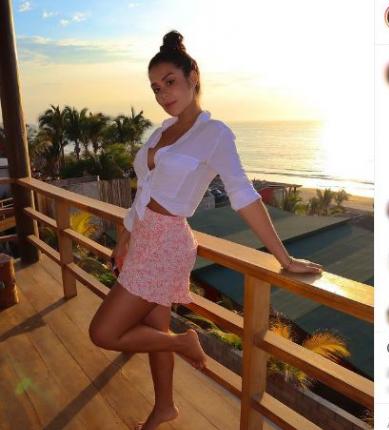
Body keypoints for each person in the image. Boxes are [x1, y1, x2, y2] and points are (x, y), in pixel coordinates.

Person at [88, 30, 323, 430]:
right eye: (155, 87)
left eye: (170, 82)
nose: (163, 94)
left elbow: (243, 195)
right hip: (143, 237)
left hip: (167, 243)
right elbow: (143, 191)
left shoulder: (214, 134)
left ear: (193, 76)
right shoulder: (160, 132)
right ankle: (164, 407)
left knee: (103, 332)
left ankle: (185, 341)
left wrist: (283, 258)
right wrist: (126, 237)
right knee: (154, 328)